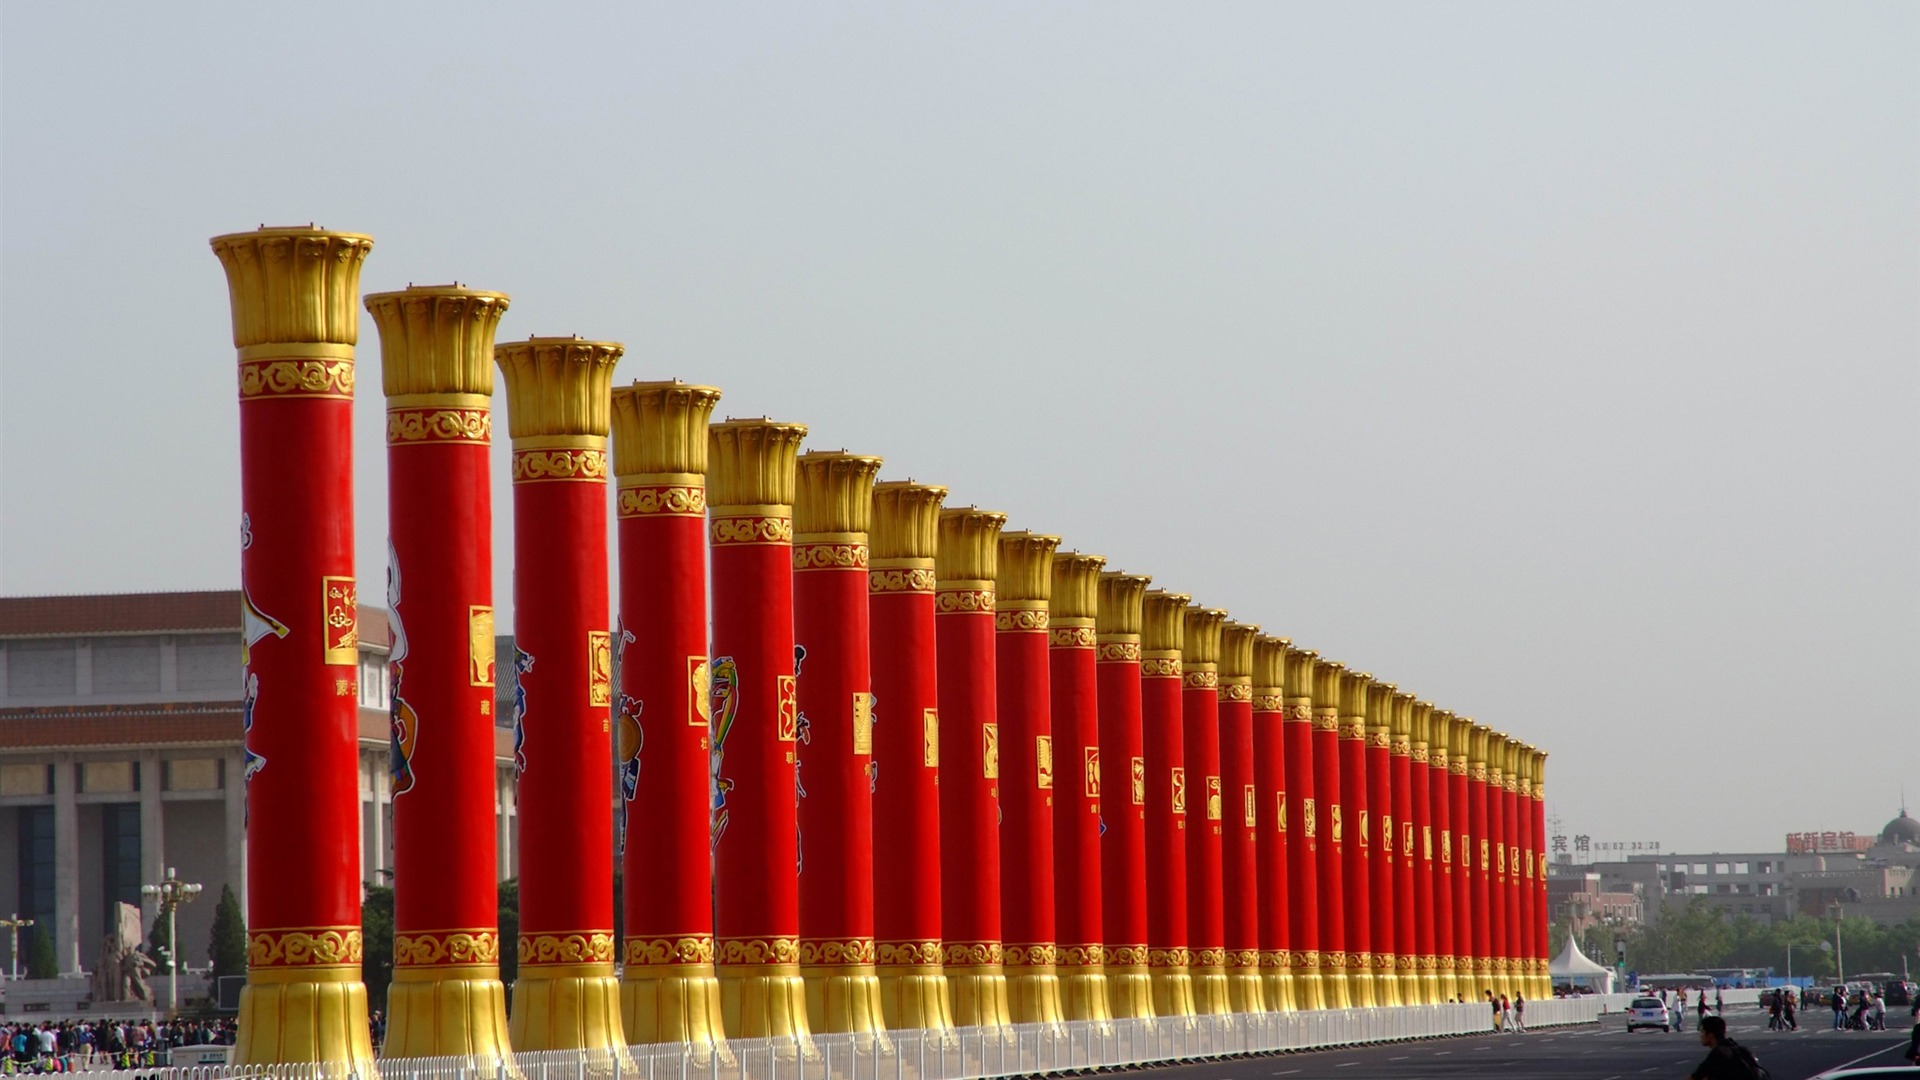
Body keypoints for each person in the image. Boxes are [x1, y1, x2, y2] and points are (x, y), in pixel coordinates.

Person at [1688, 1015, 1766, 1080]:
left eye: (1702, 1031)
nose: (1700, 1035)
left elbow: (1695, 1077)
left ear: (1710, 1034)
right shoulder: (1739, 1049)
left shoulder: (1718, 1053)